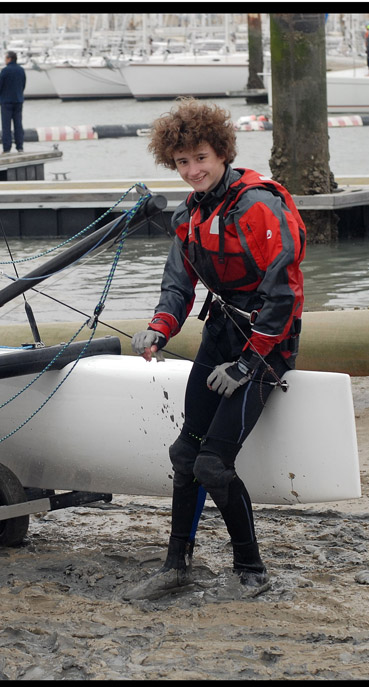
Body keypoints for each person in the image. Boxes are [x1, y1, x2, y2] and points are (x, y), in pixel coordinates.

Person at [124, 98, 305, 601]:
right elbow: (178, 288)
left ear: (221, 152)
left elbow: (286, 293)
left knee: (212, 465)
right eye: (182, 163)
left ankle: (251, 571)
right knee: (185, 453)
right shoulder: (188, 216)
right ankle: (175, 565)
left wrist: (248, 364)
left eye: (200, 158)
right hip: (219, 335)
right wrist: (158, 329)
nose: (192, 170)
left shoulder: (259, 205)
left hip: (266, 345)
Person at [0, 50, 26, 153]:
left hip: (6, 102)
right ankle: (20, 147)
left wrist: (1, 96)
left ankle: (6, 148)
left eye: (5, 58)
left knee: (6, 126)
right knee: (18, 125)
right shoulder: (21, 70)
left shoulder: (5, 71)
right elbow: (23, 84)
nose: (5, 60)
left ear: (9, 59)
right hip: (18, 101)